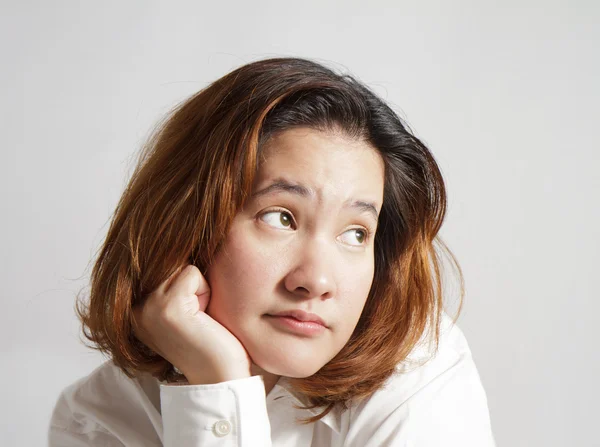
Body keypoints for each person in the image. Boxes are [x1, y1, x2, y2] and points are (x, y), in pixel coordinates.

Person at [48, 57, 496, 446]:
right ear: (187, 223)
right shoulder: (99, 421)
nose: (316, 281)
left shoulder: (418, 367)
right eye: (280, 217)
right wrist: (217, 386)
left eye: (356, 233)